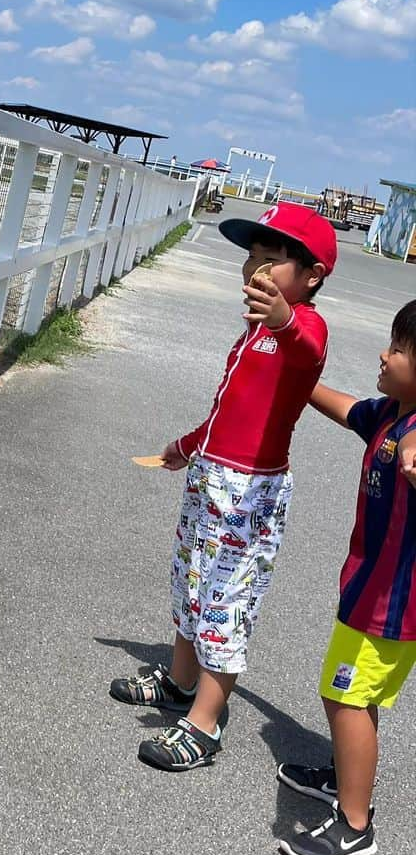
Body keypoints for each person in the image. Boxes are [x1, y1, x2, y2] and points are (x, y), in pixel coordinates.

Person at [110, 203, 337, 770]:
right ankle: (182, 681)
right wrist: (187, 446)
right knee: (192, 583)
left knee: (224, 600)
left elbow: (307, 356)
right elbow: (230, 407)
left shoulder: (303, 326)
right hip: (210, 476)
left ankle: (205, 724)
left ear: (311, 276)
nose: (255, 270)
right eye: (251, 258)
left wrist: (284, 318)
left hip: (250, 492)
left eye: (272, 260)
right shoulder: (254, 333)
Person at [278, 301, 416, 855]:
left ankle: (355, 828)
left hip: (392, 605)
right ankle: (343, 776)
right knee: (358, 697)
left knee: (343, 695)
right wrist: (296, 374)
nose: (385, 354)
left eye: (401, 349)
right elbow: (341, 406)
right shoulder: (388, 412)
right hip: (365, 590)